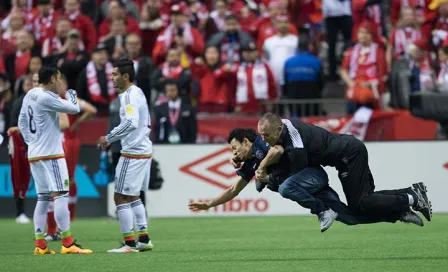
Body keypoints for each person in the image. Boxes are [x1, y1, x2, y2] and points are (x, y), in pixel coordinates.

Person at [190, 128, 424, 232]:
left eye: (235, 148)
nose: (234, 153)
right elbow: (233, 189)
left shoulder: (263, 142)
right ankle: (398, 211)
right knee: (351, 217)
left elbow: (278, 152)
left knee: (285, 187)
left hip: (311, 175)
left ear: (246, 141)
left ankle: (323, 212)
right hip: (310, 188)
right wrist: (209, 204)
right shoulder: (249, 163)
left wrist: (262, 170)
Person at [254, 113, 432, 223]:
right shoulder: (281, 125)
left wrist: (269, 179)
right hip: (346, 153)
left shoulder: (296, 145)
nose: (263, 140)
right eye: (260, 135)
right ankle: (411, 194)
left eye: (266, 135)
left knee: (361, 203)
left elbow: (296, 176)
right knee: (364, 201)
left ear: (278, 130)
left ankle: (411, 198)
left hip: (349, 154)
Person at [18, 66, 92, 254]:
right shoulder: (47, 97)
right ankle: (67, 243)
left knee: (43, 198)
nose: (60, 81)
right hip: (51, 154)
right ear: (51, 78)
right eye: (58, 78)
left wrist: (31, 142)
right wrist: (71, 93)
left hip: (34, 153)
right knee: (61, 195)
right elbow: (74, 108)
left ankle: (40, 245)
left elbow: (21, 122)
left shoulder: (31, 94)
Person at [97, 59, 153, 253]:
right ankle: (144, 238)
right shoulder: (136, 93)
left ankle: (129, 244)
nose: (111, 78)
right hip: (142, 150)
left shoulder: (129, 95)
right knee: (132, 195)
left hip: (133, 152)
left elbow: (131, 123)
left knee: (120, 196)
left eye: (115, 75)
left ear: (126, 76)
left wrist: (109, 138)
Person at [154, 79, 197, 144]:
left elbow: (193, 129)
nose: (170, 93)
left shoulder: (188, 108)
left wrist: (190, 144)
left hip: (185, 145)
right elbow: (156, 130)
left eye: (172, 90)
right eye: (167, 90)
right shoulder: (159, 109)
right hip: (165, 146)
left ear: (178, 90)